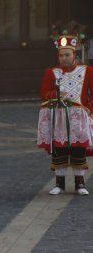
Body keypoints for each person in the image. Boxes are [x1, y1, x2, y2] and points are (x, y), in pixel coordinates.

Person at [37, 32, 93, 196]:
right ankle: (59, 184)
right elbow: (43, 94)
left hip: (79, 116)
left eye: (67, 55)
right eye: (61, 55)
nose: (63, 58)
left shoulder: (88, 71)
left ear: (74, 54)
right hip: (59, 116)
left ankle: (80, 183)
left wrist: (89, 108)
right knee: (59, 148)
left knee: (78, 148)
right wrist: (55, 95)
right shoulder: (51, 72)